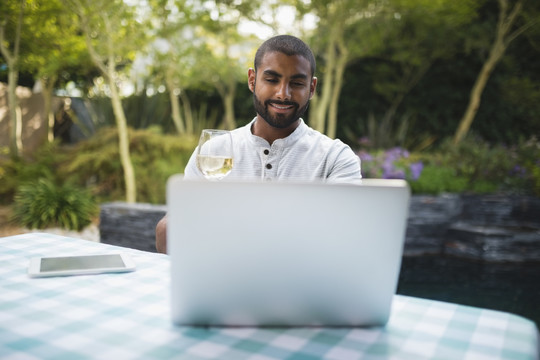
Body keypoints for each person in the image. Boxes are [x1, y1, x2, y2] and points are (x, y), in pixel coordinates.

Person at [155, 35, 361, 253]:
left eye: (297, 83)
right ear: (252, 80)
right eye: (272, 80)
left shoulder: (336, 158)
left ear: (312, 87)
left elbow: (342, 241)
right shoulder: (213, 151)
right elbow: (168, 236)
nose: (283, 94)